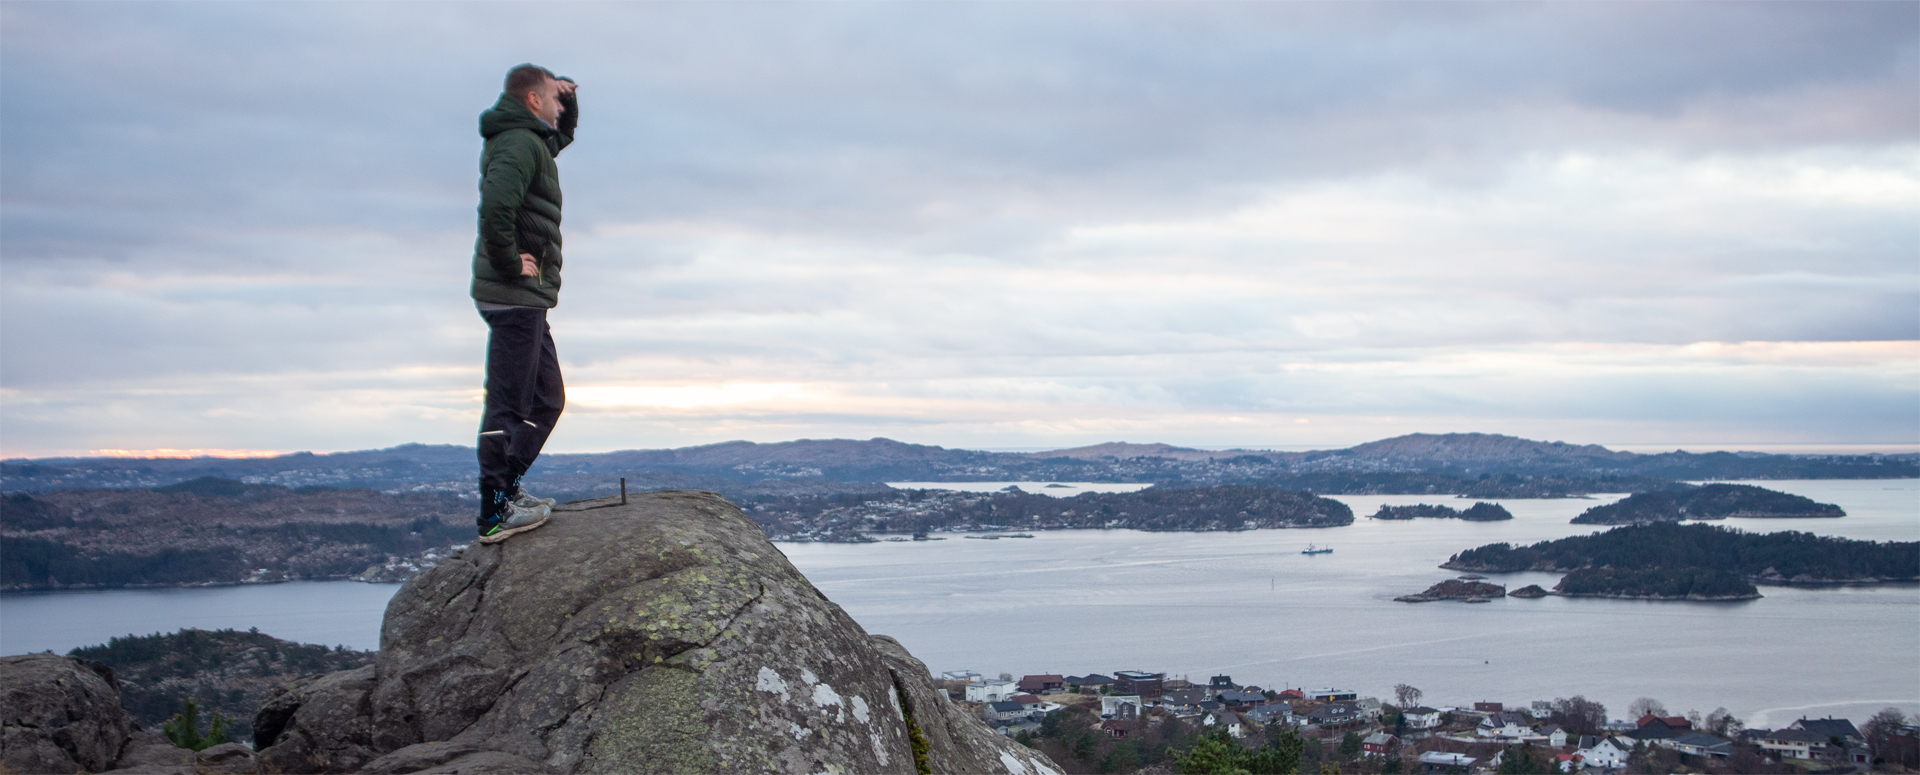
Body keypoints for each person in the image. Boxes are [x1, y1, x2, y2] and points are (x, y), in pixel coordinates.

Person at [471, 63, 578, 543]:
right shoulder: (517, 143)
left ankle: (509, 489)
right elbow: (495, 207)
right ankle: (494, 513)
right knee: (509, 405)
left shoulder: (529, 142)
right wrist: (513, 264)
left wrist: (570, 102)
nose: (559, 107)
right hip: (513, 294)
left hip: (526, 299)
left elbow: (557, 141)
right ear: (533, 101)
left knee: (547, 399)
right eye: (554, 99)